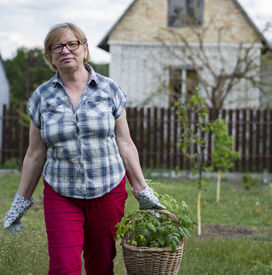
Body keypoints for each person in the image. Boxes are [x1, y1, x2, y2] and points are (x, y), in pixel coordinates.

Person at [3, 22, 165, 275]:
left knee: (100, 263)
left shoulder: (109, 90)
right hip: (62, 193)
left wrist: (142, 190)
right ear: (50, 58)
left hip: (108, 190)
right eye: (57, 47)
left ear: (85, 50)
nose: (65, 50)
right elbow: (35, 153)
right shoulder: (41, 97)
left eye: (72, 43)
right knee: (63, 266)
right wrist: (21, 201)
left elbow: (125, 142)